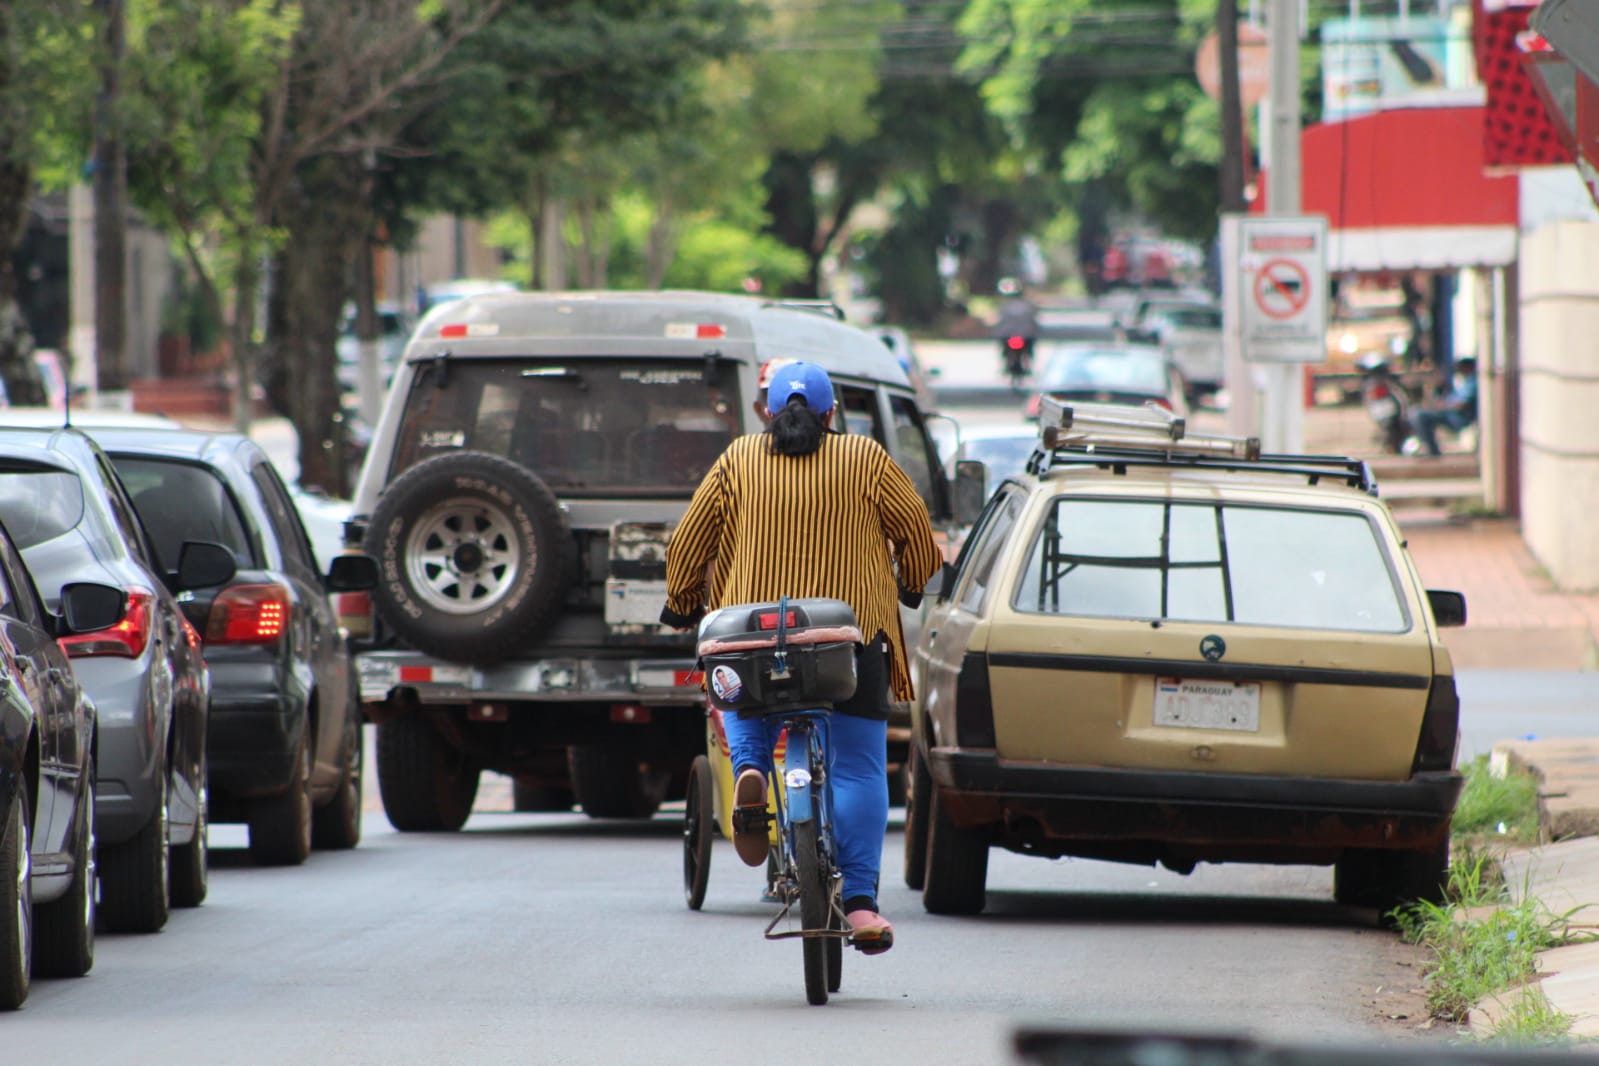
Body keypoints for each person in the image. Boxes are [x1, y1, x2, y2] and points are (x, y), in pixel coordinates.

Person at [660, 361, 941, 955]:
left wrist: (684, 600)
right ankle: (861, 905)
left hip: (749, 635)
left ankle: (751, 773)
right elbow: (917, 532)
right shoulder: (864, 458)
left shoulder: (738, 459)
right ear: (832, 414)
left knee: (744, 701)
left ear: (767, 412)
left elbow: (688, 541)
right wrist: (912, 583)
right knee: (860, 767)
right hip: (847, 640)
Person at [1414, 355, 1478, 457]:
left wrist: (1444, 406)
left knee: (1420, 416)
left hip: (1457, 418)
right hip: (1450, 414)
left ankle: (1432, 450)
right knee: (1417, 412)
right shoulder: (1464, 382)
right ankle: (1429, 448)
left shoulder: (1472, 382)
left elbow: (1461, 404)